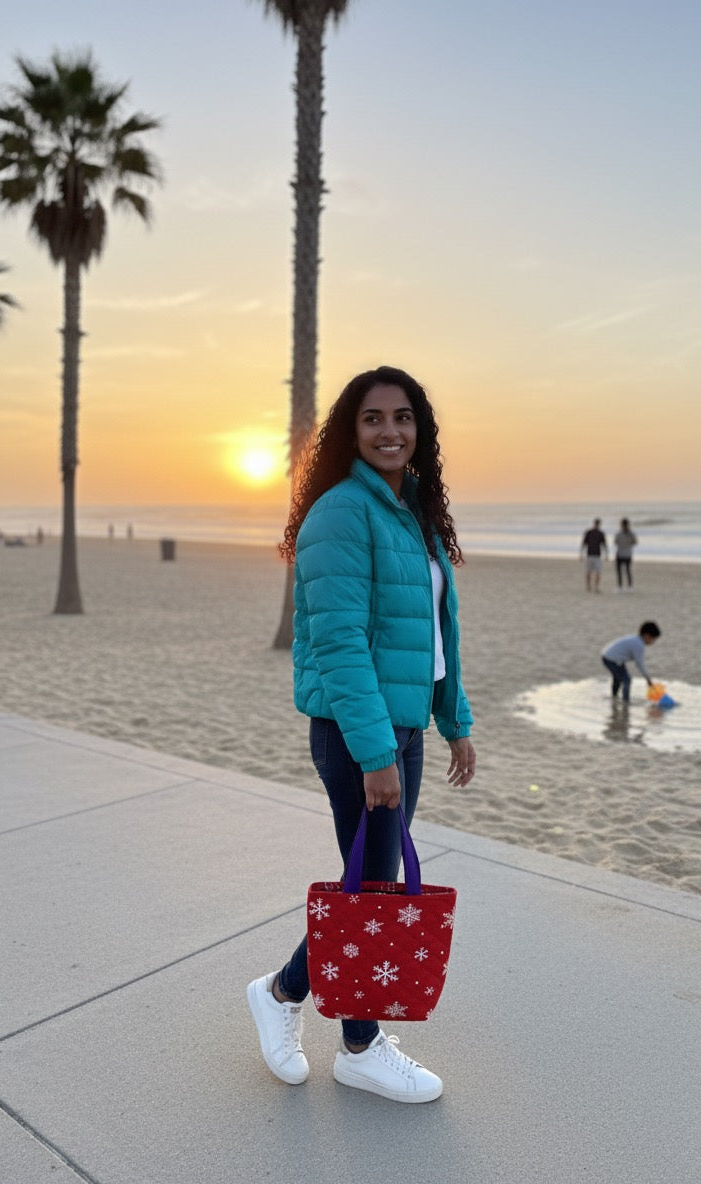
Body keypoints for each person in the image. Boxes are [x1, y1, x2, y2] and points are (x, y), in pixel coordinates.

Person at [247, 365, 475, 1104]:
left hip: (399, 726)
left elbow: (434, 633)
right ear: (351, 431)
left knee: (370, 887)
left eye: (403, 417)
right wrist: (378, 754)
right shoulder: (343, 514)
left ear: (420, 430)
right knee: (373, 891)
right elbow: (343, 644)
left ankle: (283, 996)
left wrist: (454, 723)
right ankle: (358, 1043)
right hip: (358, 733)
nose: (390, 431)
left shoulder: (409, 510)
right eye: (373, 418)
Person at [601, 621, 661, 702]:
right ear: (647, 636)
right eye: (653, 639)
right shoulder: (638, 645)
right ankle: (626, 701)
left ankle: (614, 697)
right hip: (611, 659)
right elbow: (639, 664)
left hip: (610, 656)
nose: (653, 642)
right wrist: (648, 680)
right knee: (627, 680)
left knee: (618, 678)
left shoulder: (635, 640)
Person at [580, 517, 608, 592]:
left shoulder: (595, 533)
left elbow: (604, 545)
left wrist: (581, 554)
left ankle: (594, 587)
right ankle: (591, 587)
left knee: (595, 572)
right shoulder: (593, 533)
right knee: (591, 571)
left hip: (594, 554)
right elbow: (584, 543)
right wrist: (581, 554)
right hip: (592, 554)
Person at [614, 517, 638, 591]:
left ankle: (625, 586)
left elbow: (616, 542)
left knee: (624, 571)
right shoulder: (630, 533)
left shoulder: (622, 533)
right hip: (625, 553)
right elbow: (635, 542)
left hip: (623, 553)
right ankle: (625, 586)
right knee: (624, 571)